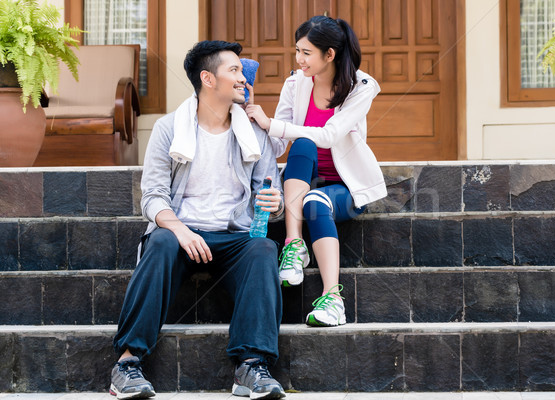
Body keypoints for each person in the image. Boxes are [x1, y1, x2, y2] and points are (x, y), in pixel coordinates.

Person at [109, 40, 286, 400]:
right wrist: (180, 230)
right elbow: (153, 196)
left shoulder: (254, 132)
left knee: (264, 248)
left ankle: (251, 366)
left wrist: (275, 202)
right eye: (234, 71)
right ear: (208, 78)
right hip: (181, 232)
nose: (243, 80)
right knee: (160, 241)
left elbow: (272, 195)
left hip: (233, 235)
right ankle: (126, 365)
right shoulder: (169, 128)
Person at [246, 16, 387, 328]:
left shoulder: (360, 87)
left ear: (329, 55)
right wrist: (254, 119)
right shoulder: (295, 83)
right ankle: (294, 244)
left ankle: (332, 299)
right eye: (297, 50)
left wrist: (272, 123)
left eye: (306, 52)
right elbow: (279, 144)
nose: (298, 59)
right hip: (304, 175)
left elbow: (329, 134)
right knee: (302, 146)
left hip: (345, 187)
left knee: (315, 200)